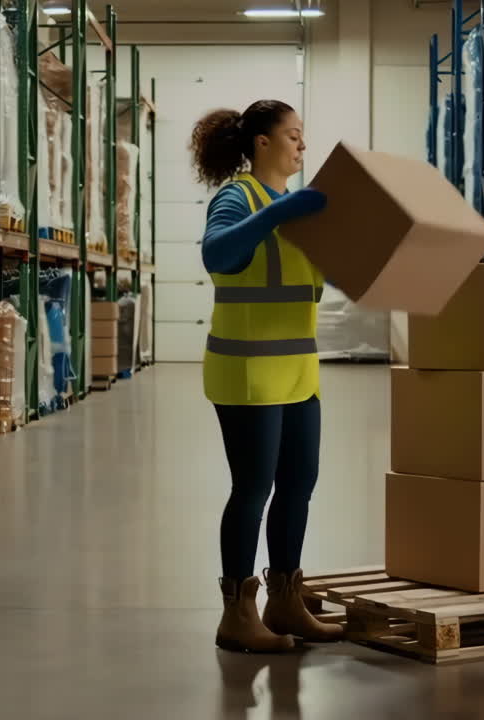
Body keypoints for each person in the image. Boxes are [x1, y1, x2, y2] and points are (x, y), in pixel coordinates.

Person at [189, 100, 345, 653]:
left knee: (299, 486)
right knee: (253, 488)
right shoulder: (239, 197)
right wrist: (277, 216)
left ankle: (285, 600)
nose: (302, 146)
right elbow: (217, 255)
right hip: (248, 370)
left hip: (298, 371)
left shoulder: (299, 208)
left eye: (304, 137)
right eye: (293, 135)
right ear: (261, 143)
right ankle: (237, 612)